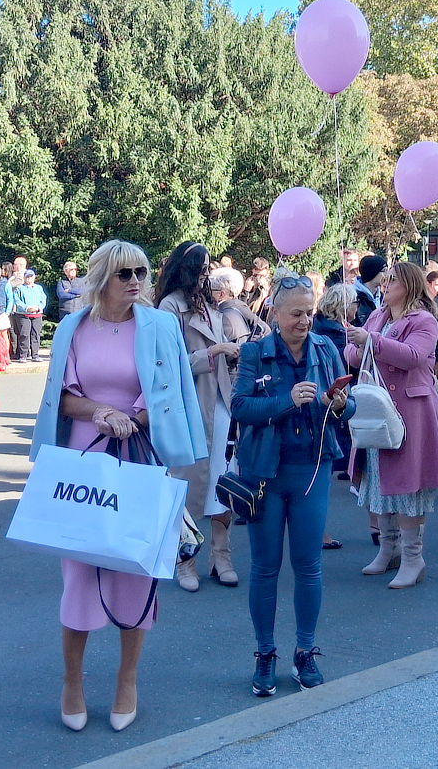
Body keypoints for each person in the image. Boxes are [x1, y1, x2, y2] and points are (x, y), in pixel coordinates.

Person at [31, 239, 205, 732]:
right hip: (85, 462)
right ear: (102, 276)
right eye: (124, 272)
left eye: (142, 272)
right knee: (80, 574)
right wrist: (101, 412)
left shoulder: (162, 326)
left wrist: (136, 417)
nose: (135, 280)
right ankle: (73, 681)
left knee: (135, 572)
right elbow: (60, 399)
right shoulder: (72, 327)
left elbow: (174, 394)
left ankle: (127, 680)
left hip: (140, 457)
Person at [232, 271, 355, 696]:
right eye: (297, 313)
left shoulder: (326, 348)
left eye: (310, 311)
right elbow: (240, 407)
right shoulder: (254, 353)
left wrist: (340, 403)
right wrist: (288, 400)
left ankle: (305, 651)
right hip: (264, 471)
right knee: (265, 567)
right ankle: (265, 653)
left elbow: (349, 402)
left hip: (312, 468)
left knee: (309, 566)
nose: (306, 320)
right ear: (276, 314)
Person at [344, 262, 438, 590]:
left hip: (411, 411)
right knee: (379, 481)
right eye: (384, 281)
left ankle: (413, 558)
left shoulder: (424, 320)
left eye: (392, 281)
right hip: (377, 409)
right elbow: (351, 353)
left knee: (408, 485)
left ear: (409, 285)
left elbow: (415, 356)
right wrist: (362, 344)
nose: (384, 286)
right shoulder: (378, 316)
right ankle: (388, 549)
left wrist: (370, 342)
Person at [155, 242, 239, 591]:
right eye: (200, 268)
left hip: (221, 401)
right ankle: (184, 559)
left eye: (209, 268)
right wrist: (214, 351)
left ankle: (221, 556)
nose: (206, 274)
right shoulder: (169, 306)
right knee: (186, 486)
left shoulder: (209, 306)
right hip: (189, 407)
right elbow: (168, 364)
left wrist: (232, 352)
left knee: (224, 481)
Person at [313, 283, 357, 487]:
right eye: (355, 303)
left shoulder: (326, 326)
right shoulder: (336, 335)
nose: (357, 307)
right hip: (334, 395)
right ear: (343, 306)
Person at [212, 267, 270, 342]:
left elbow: (264, 329)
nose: (207, 293)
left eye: (210, 290)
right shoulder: (236, 305)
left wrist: (253, 346)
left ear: (221, 294)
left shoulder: (232, 310)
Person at [11, 269, 49, 362]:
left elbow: (43, 299)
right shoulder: (19, 288)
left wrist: (39, 307)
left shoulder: (39, 288)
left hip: (37, 314)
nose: (29, 279)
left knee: (36, 334)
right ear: (24, 278)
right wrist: (27, 308)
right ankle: (23, 355)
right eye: (27, 277)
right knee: (24, 334)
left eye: (31, 276)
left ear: (34, 277)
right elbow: (17, 300)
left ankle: (35, 355)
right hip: (24, 315)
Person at [352, 255, 385, 325]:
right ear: (372, 273)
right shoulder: (352, 297)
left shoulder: (384, 297)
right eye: (384, 271)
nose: (387, 275)